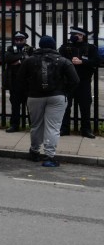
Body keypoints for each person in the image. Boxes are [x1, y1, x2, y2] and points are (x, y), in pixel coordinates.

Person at [22, 35, 79, 167]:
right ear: (53, 46)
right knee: (53, 127)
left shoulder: (29, 61)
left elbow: (20, 80)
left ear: (40, 45)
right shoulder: (63, 61)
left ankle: (34, 152)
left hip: (34, 96)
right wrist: (65, 92)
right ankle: (49, 157)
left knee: (36, 125)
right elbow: (75, 80)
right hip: (57, 96)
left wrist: (29, 92)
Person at [58, 26, 99, 138]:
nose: (73, 36)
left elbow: (96, 61)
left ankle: (86, 130)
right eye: (71, 34)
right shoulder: (65, 47)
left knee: (85, 106)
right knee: (66, 106)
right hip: (68, 82)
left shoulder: (90, 48)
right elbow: (58, 59)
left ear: (82, 36)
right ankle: (64, 129)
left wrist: (82, 62)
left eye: (76, 34)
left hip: (83, 82)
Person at [4, 31, 32, 132]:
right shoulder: (10, 48)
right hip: (15, 83)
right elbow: (7, 58)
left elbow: (32, 60)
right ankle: (14, 125)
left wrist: (18, 61)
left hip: (28, 84)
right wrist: (22, 58)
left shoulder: (30, 49)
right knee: (15, 106)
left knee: (31, 106)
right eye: (17, 39)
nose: (19, 41)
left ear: (25, 40)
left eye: (21, 39)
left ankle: (33, 126)